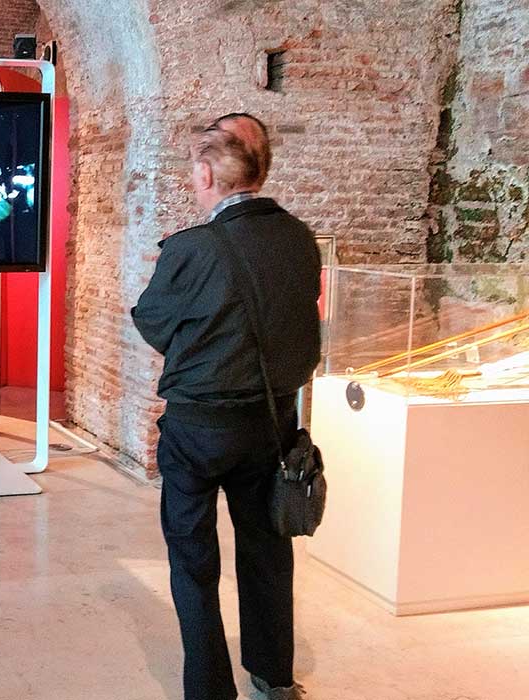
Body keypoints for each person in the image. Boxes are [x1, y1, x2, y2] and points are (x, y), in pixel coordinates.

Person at [130, 114, 321, 700]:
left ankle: (210, 689)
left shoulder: (191, 248)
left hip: (199, 425)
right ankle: (272, 673)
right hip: (272, 421)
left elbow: (151, 321)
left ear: (209, 173)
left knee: (193, 557)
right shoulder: (299, 237)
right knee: (267, 550)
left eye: (194, 168)